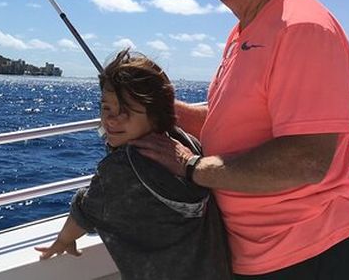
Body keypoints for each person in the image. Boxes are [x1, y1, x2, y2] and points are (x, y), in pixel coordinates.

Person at [132, 0, 349, 279]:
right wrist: (155, 111)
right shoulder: (243, 32)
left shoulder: (302, 28)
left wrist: (191, 166)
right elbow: (227, 125)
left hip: (313, 254)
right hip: (257, 254)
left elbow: (306, 160)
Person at [35, 49, 232, 280]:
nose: (111, 119)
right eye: (106, 107)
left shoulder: (119, 168)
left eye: (125, 111)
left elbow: (86, 209)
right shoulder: (187, 144)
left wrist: (64, 240)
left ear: (155, 116)